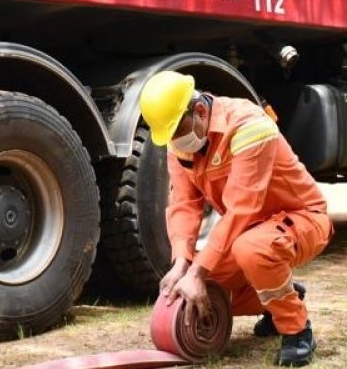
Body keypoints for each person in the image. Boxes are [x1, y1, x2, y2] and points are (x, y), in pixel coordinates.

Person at [140, 71, 332, 367]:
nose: (177, 141)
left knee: (249, 251)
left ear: (201, 111)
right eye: (171, 136)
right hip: (249, 230)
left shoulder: (248, 125)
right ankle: (282, 298)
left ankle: (296, 330)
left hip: (302, 218)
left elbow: (243, 207)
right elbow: (183, 203)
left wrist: (197, 273)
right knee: (204, 290)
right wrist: (182, 263)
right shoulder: (180, 144)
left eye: (179, 131)